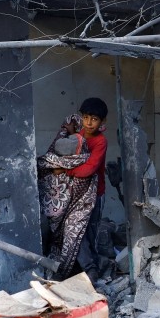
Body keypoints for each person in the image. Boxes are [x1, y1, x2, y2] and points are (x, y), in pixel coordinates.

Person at [37, 97, 108, 279]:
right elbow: (71, 143)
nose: (89, 123)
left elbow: (89, 168)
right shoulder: (80, 134)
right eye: (86, 118)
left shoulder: (100, 142)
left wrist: (65, 170)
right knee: (74, 230)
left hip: (93, 195)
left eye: (94, 119)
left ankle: (92, 270)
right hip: (74, 195)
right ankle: (85, 269)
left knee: (88, 232)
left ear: (102, 122)